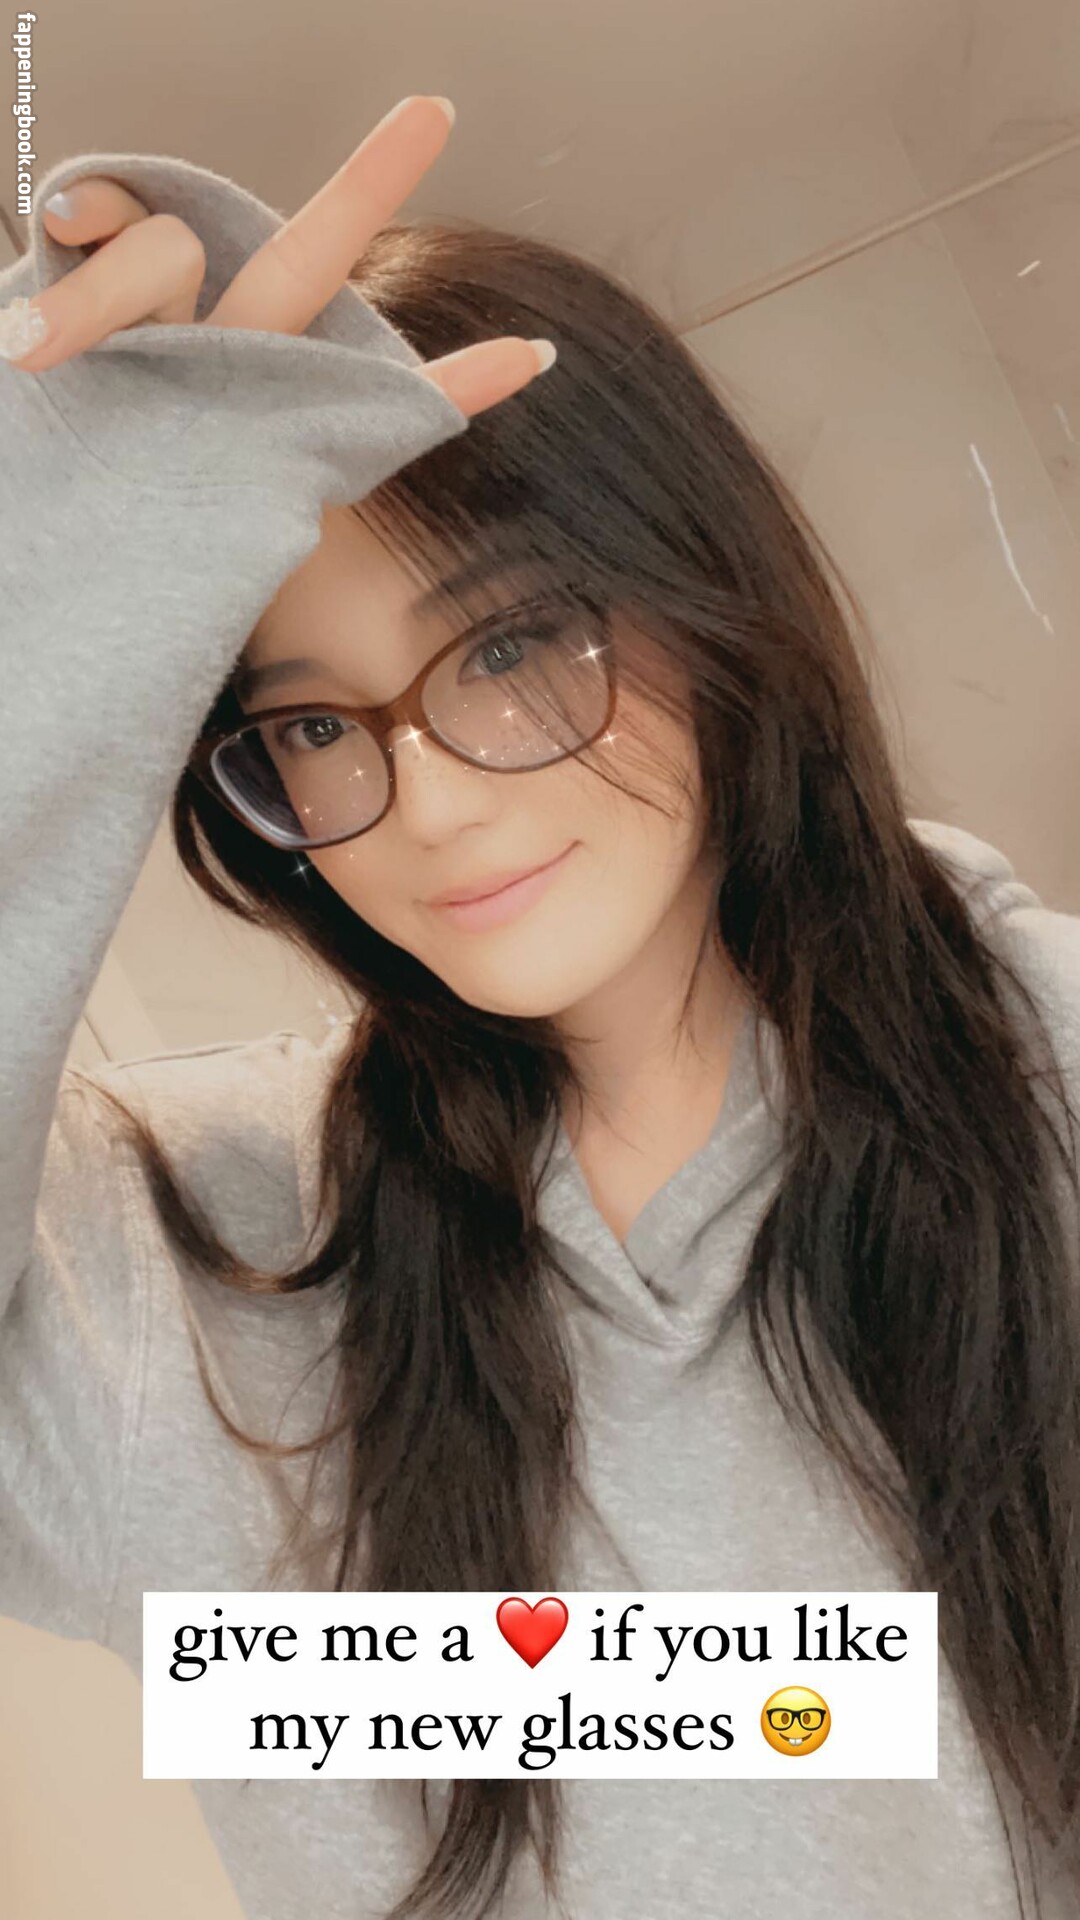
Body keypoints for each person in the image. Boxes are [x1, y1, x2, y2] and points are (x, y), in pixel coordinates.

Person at [1, 91, 1078, 1920]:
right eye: (310, 725)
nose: (425, 800)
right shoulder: (182, 1267)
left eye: (507, 643)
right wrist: (36, 628)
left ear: (702, 590)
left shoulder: (1047, 1077)